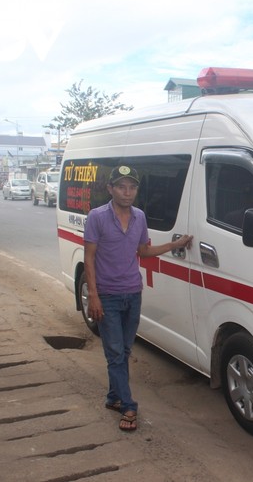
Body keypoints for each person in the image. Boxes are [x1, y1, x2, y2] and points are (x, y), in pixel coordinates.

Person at [84, 165, 193, 431]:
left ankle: (113, 398)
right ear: (110, 189)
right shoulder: (96, 217)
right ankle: (129, 405)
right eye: (121, 186)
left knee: (124, 351)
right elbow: (89, 258)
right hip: (107, 296)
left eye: (132, 187)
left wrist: (173, 245)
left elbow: (143, 250)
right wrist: (93, 297)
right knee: (116, 354)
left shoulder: (139, 217)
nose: (127, 192)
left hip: (133, 293)